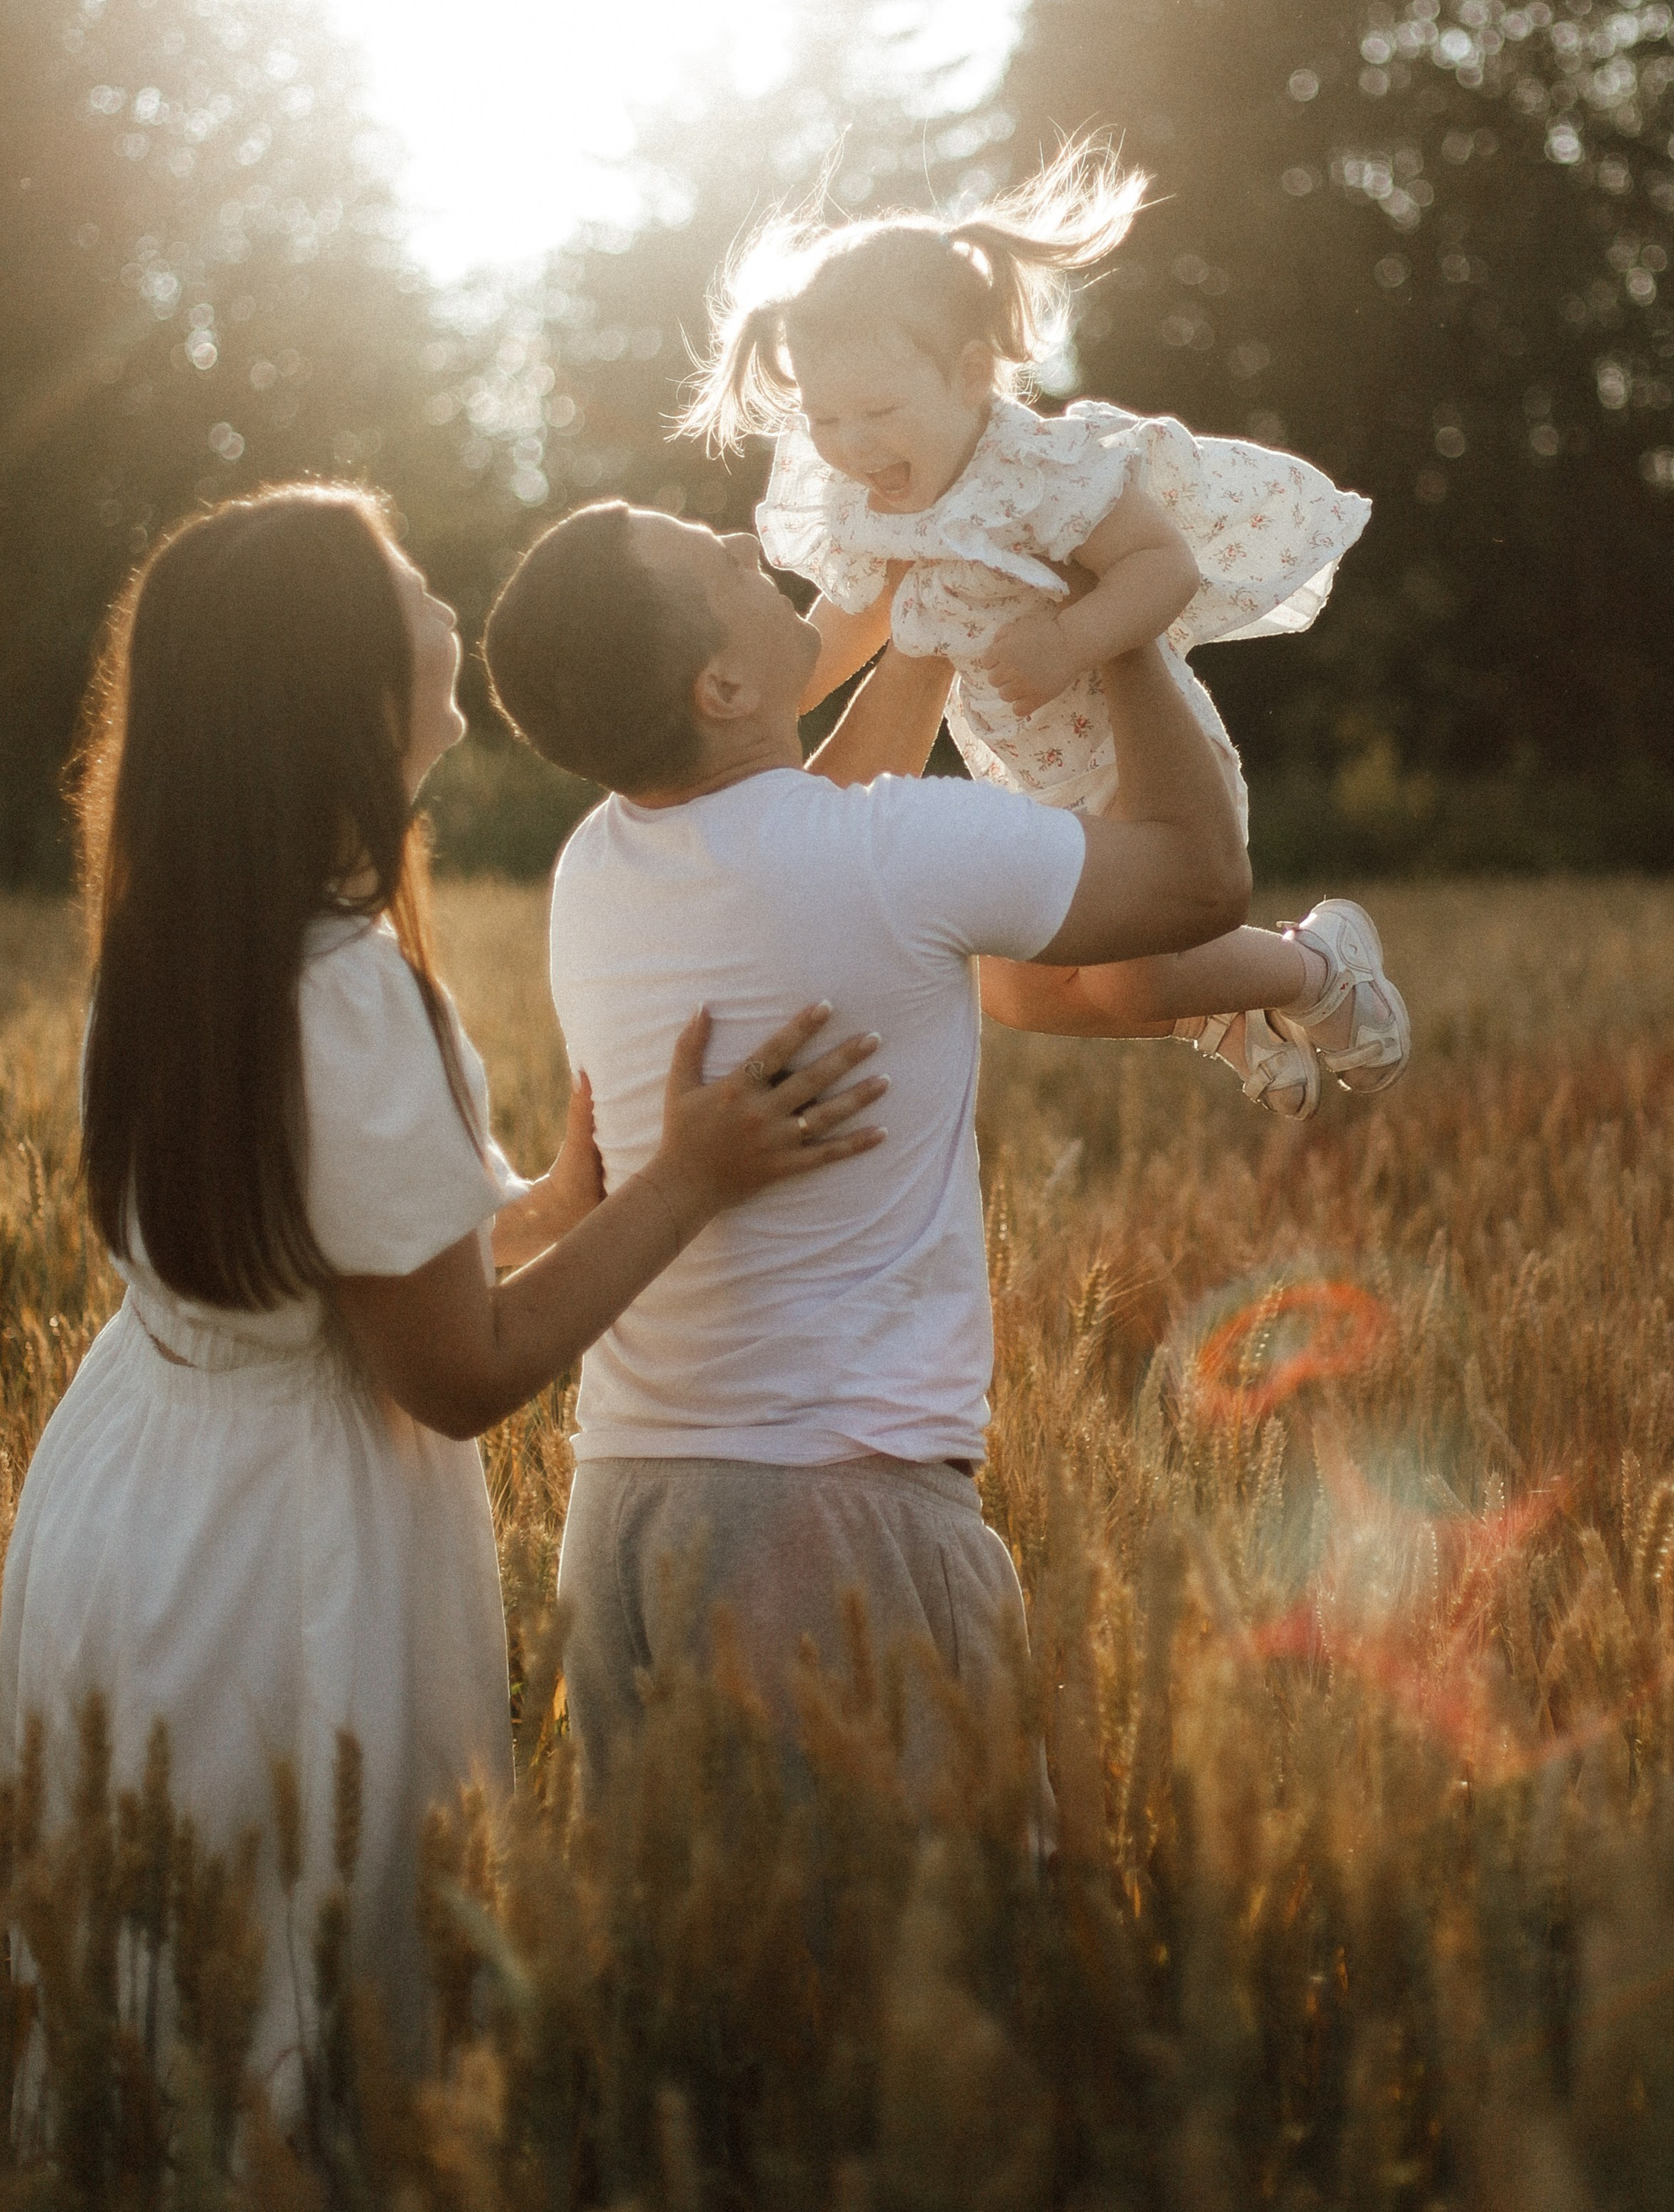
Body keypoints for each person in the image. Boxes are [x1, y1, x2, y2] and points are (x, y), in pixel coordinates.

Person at [0, 481, 906, 2115]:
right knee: (297, 2006)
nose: (442, 609)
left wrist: (548, 1208)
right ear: (341, 688)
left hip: (134, 1501)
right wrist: (693, 1179)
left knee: (157, 1996)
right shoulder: (348, 990)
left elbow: (329, 1247)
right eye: (409, 587)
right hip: (281, 1549)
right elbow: (456, 1375)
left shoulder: (183, 938)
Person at [480, 496, 1251, 1796]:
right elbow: (1198, 875)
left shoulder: (600, 863)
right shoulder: (894, 855)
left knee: (682, 1929)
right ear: (723, 686)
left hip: (625, 1519)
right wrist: (1120, 618)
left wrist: (925, 629)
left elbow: (797, 820)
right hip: (834, 1531)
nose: (748, 547)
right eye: (719, 564)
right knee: (924, 1921)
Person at [679, 140, 1410, 1118]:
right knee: (1014, 987)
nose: (850, 445)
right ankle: (1224, 1016)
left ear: (972, 373)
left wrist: (1072, 640)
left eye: (877, 410)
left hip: (1134, 761)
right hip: (1033, 780)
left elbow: (1162, 565)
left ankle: (1318, 969)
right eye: (823, 419)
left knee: (1134, 980)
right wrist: (767, 702)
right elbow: (851, 620)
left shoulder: (1043, 471)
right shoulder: (878, 497)